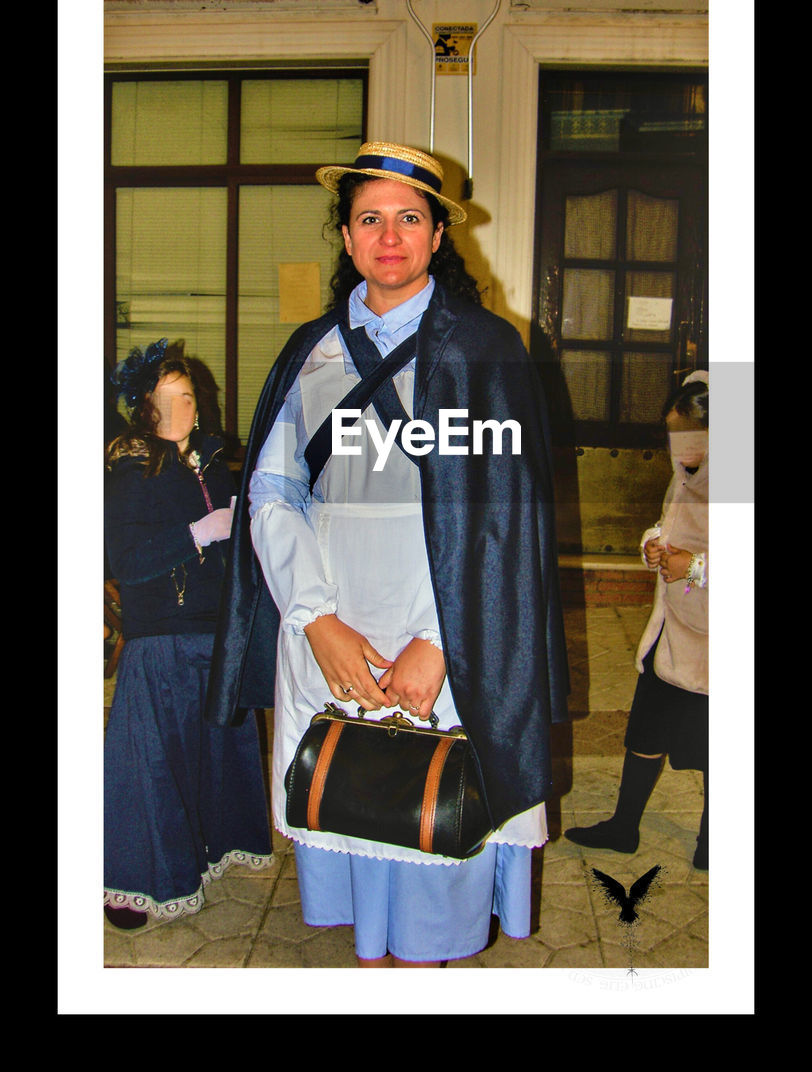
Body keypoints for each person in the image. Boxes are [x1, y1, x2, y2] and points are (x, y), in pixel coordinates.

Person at [205, 142, 569, 966]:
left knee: (440, 825)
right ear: (346, 235)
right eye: (371, 218)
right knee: (350, 803)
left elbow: (507, 518)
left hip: (445, 632)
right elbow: (272, 492)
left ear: (441, 235)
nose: (391, 235)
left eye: (411, 218)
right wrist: (315, 620)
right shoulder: (311, 351)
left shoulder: (488, 352)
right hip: (333, 626)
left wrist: (443, 643)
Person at [104, 340, 273, 928]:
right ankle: (133, 886)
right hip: (160, 639)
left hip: (216, 635)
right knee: (149, 766)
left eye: (188, 395)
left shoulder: (214, 465)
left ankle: (202, 855)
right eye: (166, 396)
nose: (180, 406)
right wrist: (196, 533)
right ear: (144, 406)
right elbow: (125, 560)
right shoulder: (132, 468)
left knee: (208, 759)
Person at [565, 372, 709, 869]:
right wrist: (653, 544)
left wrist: (692, 568)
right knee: (646, 729)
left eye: (689, 433)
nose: (679, 446)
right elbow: (669, 524)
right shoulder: (687, 474)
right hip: (676, 627)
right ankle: (624, 825)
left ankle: (714, 842)